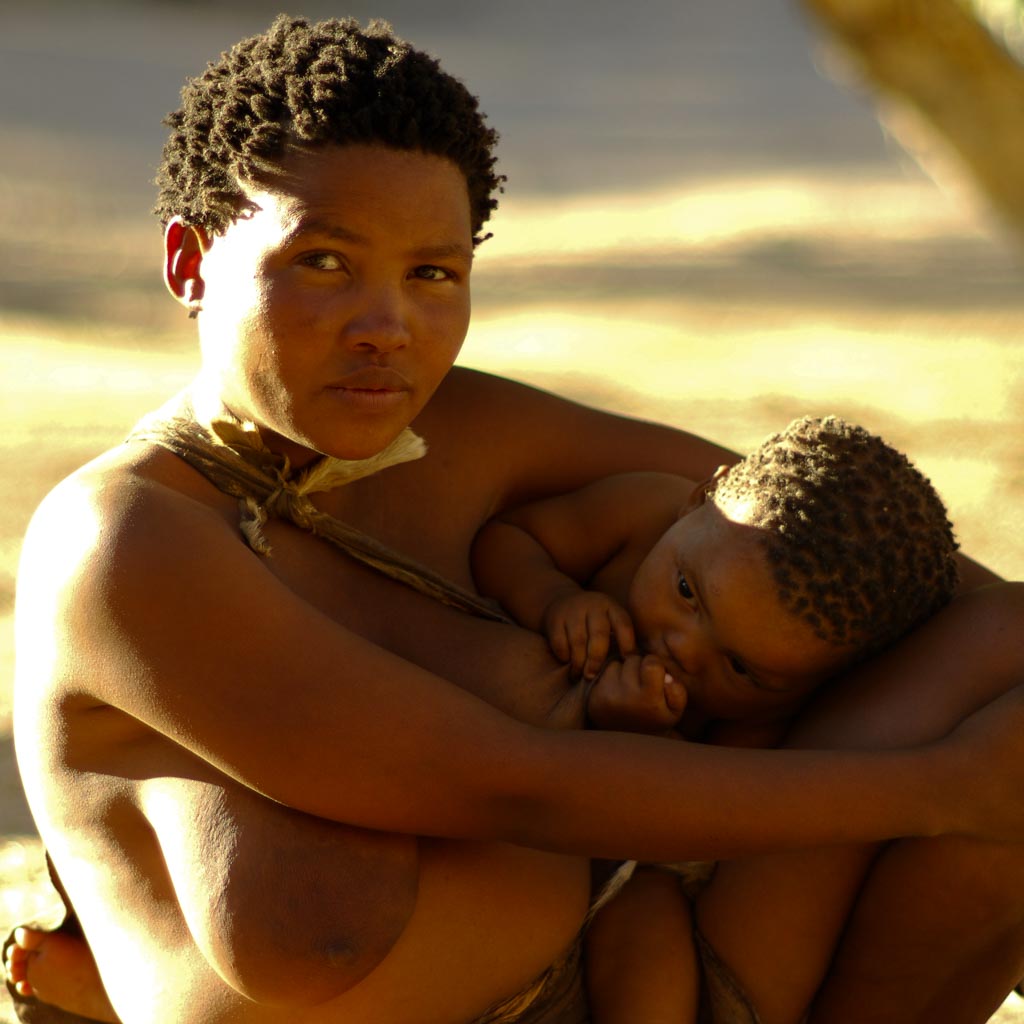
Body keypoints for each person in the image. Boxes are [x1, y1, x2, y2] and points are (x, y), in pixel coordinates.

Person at [6, 15, 1024, 1024]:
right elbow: (516, 789)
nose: (386, 328)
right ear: (189, 264)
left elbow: (859, 546)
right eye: (325, 262)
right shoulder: (125, 539)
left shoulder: (470, 430)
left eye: (433, 275)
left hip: (657, 965)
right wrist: (937, 786)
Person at [475, 414, 961, 1022]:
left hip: (647, 852)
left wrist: (645, 739)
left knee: (648, 928)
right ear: (703, 496)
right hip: (502, 817)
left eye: (738, 667)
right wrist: (555, 599)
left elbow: (706, 809)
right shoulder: (640, 511)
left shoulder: (769, 718)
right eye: (686, 592)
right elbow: (508, 538)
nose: (683, 647)